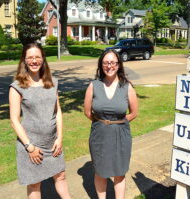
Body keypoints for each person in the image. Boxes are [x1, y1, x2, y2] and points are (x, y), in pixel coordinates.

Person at [9, 43, 71, 199]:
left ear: (43, 59)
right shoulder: (17, 86)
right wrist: (30, 147)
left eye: (37, 57)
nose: (34, 61)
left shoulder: (53, 82)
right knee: (34, 184)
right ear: (24, 60)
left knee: (61, 176)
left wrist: (60, 138)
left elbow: (58, 112)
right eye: (30, 57)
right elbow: (14, 120)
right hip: (31, 145)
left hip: (53, 144)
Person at [84, 49, 138, 199]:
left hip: (121, 134)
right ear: (101, 65)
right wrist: (102, 122)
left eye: (113, 62)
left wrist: (117, 123)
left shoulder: (127, 87)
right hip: (99, 134)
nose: (109, 66)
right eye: (106, 63)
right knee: (101, 172)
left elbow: (133, 113)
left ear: (119, 65)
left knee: (119, 172)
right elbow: (88, 112)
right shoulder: (93, 85)